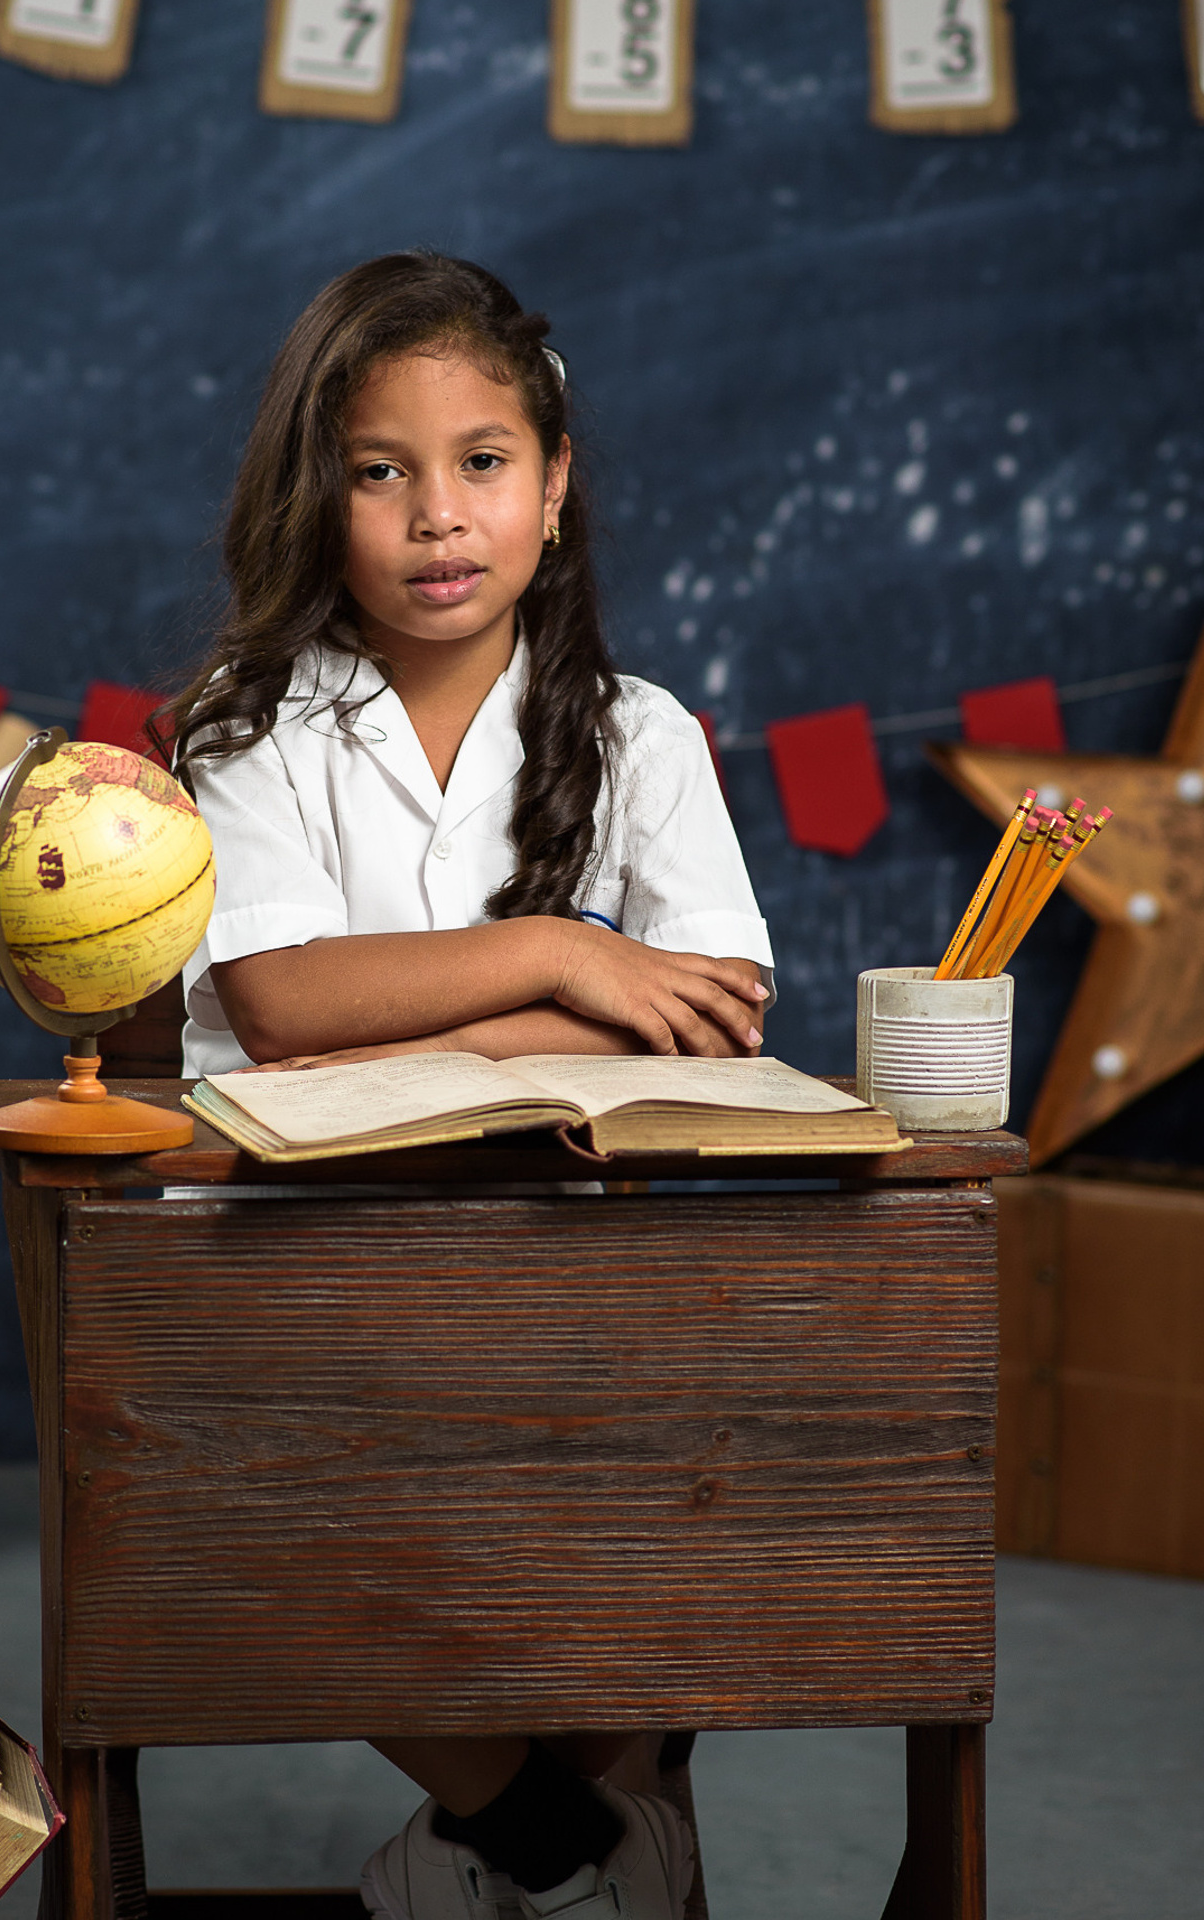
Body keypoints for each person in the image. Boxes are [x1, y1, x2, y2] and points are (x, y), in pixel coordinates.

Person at [159, 252, 773, 1920]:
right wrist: (563, 961)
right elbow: (283, 1007)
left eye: (483, 462)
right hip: (295, 1280)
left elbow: (714, 1022)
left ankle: (511, 1850)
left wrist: (420, 1042)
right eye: (381, 471)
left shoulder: (643, 738)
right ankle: (560, 1840)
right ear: (317, 497)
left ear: (554, 488)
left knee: (693, 1480)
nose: (439, 515)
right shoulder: (243, 734)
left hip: (578, 1281)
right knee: (248, 1519)